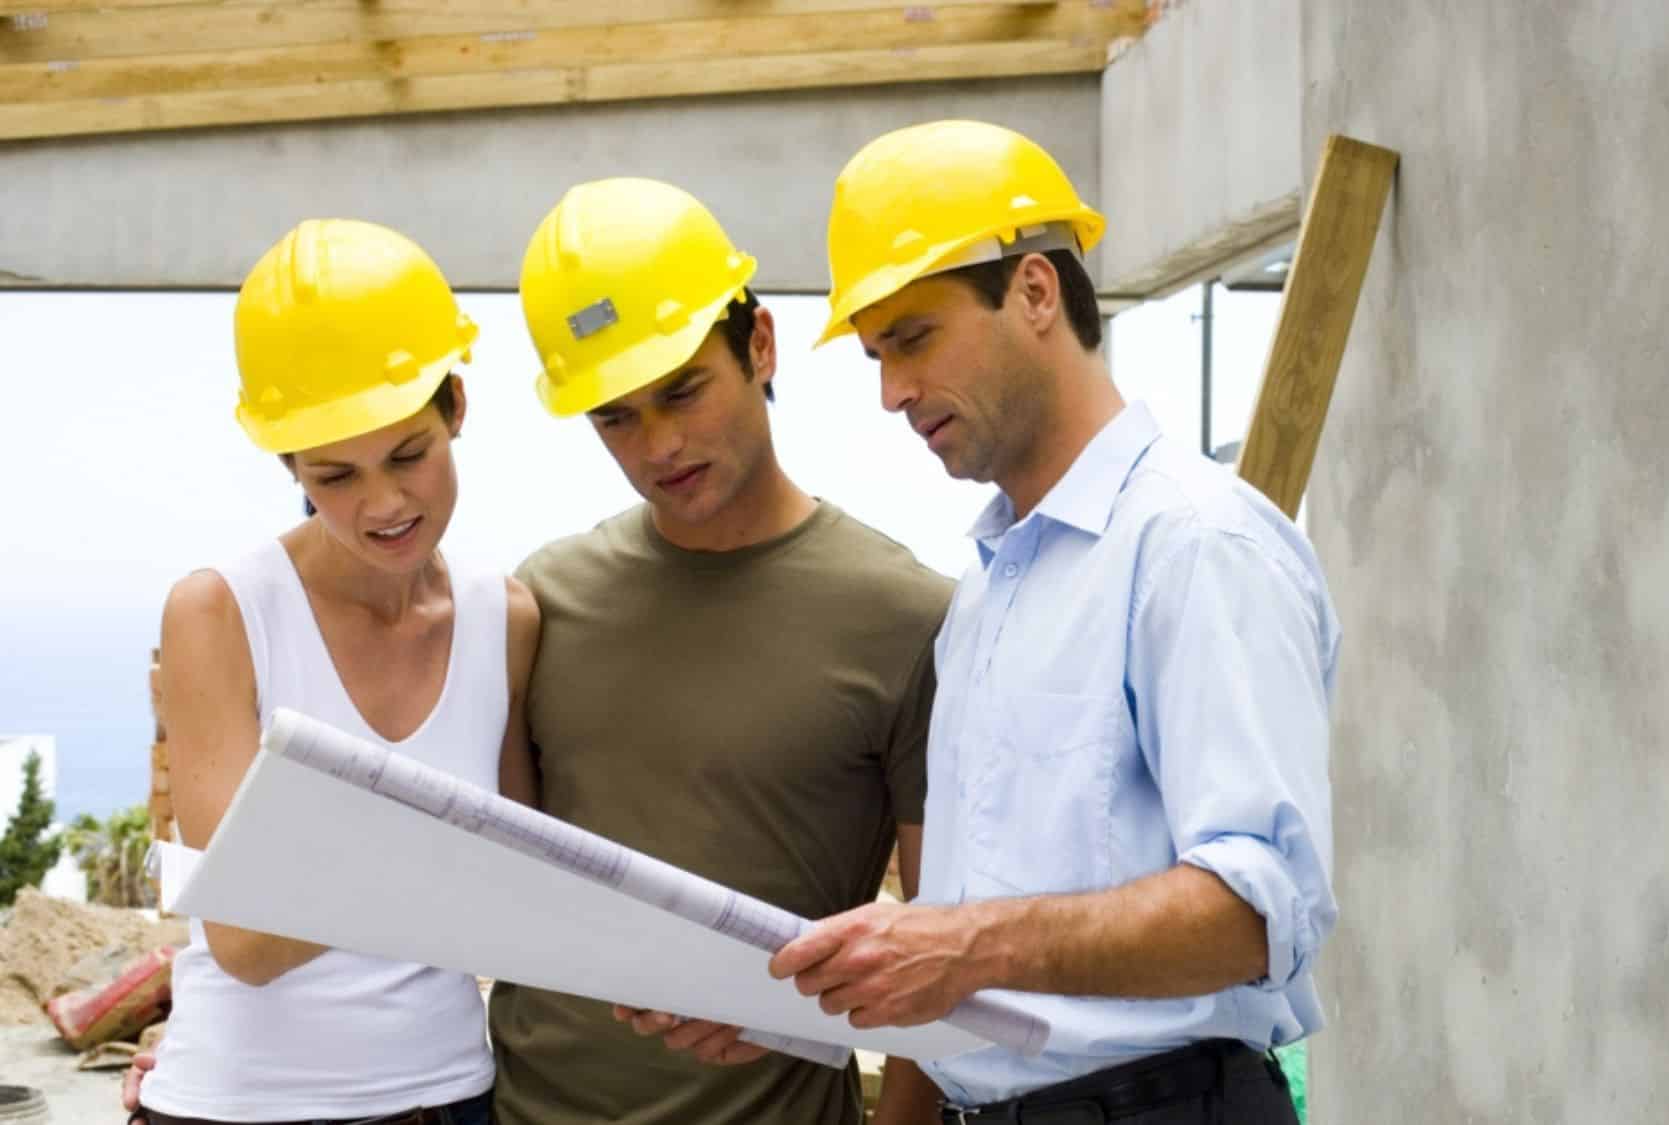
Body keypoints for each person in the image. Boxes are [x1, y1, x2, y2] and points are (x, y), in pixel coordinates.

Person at [632, 119, 1341, 1123]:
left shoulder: (1192, 546)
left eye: (913, 339)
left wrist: (959, 945)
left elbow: (1257, 913)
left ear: (1035, 292)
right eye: (876, 354)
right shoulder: (991, 592)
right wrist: (789, 995)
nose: (890, 393)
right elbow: (983, 960)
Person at [487, 177, 953, 1125]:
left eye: (682, 390)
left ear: (762, 345)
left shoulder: (907, 616)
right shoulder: (545, 599)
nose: (659, 443)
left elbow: (938, 951)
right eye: (616, 416)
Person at [129, 219, 539, 1124]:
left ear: (456, 407)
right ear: (289, 464)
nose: (384, 504)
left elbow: (513, 895)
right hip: (234, 1107)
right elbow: (242, 937)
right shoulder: (221, 613)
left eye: (408, 454)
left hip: (447, 1099)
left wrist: (339, 871)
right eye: (335, 476)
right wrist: (445, 856)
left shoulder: (504, 618)